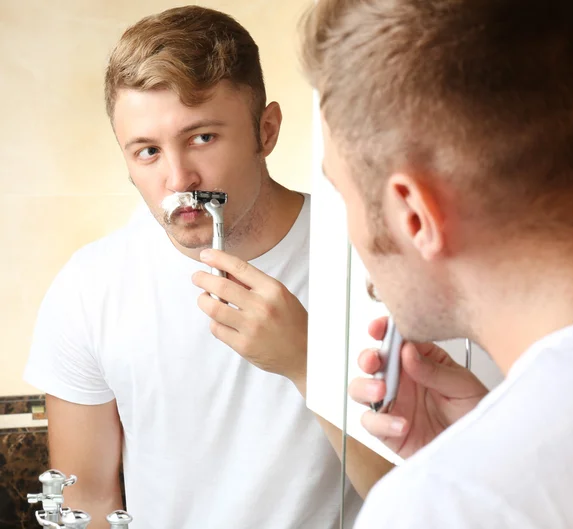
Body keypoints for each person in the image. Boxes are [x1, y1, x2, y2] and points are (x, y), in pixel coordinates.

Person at [24, 6, 393, 529]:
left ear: (266, 131)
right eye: (148, 151)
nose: (179, 180)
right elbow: (89, 506)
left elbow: (417, 497)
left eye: (202, 137)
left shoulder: (375, 261)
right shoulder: (89, 289)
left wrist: (309, 364)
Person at [301, 0, 573, 527]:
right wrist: (487, 434)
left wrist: (464, 478)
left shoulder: (443, 504)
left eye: (341, 193)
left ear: (414, 216)